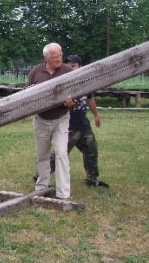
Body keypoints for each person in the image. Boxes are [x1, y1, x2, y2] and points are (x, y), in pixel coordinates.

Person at [27, 43, 76, 199]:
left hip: (61, 118)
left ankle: (63, 193)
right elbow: (26, 93)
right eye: (55, 57)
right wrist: (30, 91)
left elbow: (78, 92)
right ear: (46, 58)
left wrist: (72, 101)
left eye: (60, 55)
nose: (59, 59)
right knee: (42, 155)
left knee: (61, 153)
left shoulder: (68, 71)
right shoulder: (36, 71)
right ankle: (41, 187)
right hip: (41, 119)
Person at [63, 55, 109, 187]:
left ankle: (92, 178)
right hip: (69, 125)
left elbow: (90, 98)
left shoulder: (85, 82)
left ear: (80, 67)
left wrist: (96, 115)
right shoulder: (65, 82)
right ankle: (40, 177)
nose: (70, 68)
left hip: (83, 123)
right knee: (60, 154)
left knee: (91, 150)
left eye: (73, 66)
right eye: (68, 66)